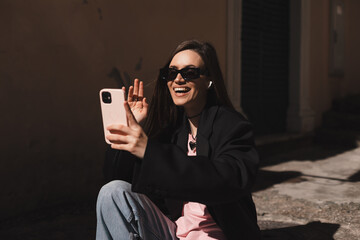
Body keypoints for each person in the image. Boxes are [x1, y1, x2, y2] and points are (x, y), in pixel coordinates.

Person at [96, 40, 261, 240]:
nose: (178, 80)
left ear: (209, 80)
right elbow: (118, 176)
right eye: (172, 73)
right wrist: (129, 129)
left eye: (189, 72)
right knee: (112, 192)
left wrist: (148, 150)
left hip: (215, 236)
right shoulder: (172, 130)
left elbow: (228, 180)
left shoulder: (232, 126)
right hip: (172, 233)